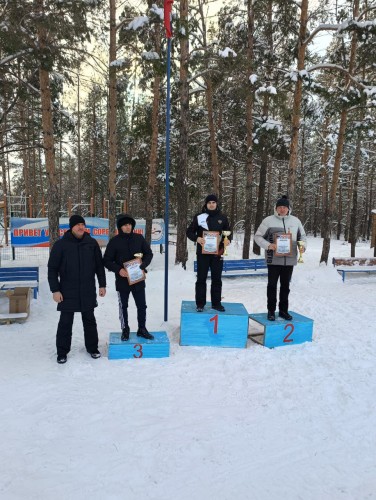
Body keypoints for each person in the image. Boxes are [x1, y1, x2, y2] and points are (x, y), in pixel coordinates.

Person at [48, 214, 106, 364]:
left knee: (90, 321)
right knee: (65, 323)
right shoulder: (61, 245)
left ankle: (92, 348)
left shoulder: (91, 243)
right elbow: (52, 269)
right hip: (67, 291)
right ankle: (62, 352)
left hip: (87, 290)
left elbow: (99, 266)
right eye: (77, 225)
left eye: (83, 224)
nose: (81, 227)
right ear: (71, 227)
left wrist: (102, 285)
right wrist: (55, 290)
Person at [254, 195, 307, 321]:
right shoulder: (268, 221)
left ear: (289, 208)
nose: (282, 209)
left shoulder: (296, 221)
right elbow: (258, 236)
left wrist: (303, 247)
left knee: (285, 287)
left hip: (289, 260)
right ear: (276, 208)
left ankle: (283, 311)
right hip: (273, 259)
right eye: (280, 207)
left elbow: (303, 237)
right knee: (272, 286)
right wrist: (268, 245)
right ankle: (271, 311)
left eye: (285, 207)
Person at [104, 213, 154, 341]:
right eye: (125, 225)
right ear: (120, 227)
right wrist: (118, 270)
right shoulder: (114, 242)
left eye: (130, 224)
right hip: (122, 281)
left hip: (138, 279)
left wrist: (143, 264)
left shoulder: (139, 238)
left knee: (142, 306)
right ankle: (125, 329)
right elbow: (106, 260)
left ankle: (142, 329)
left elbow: (148, 253)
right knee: (123, 306)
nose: (128, 227)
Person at [186, 194, 231, 312]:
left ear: (217, 204)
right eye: (209, 202)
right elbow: (189, 231)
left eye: (213, 202)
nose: (211, 204)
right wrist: (197, 239)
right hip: (203, 253)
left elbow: (228, 232)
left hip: (218, 253)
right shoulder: (199, 217)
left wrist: (228, 240)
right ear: (206, 204)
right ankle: (200, 304)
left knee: (217, 279)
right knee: (201, 278)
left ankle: (216, 303)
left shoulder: (223, 217)